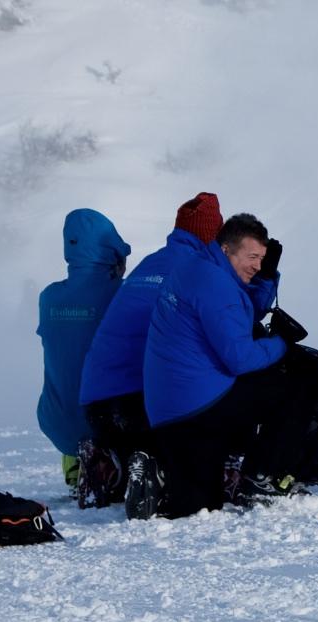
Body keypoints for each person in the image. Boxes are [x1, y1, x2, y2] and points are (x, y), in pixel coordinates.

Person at [140, 211, 318, 518]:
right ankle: (263, 478)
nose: (257, 265)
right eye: (252, 256)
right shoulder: (216, 284)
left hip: (172, 406)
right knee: (299, 382)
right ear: (226, 248)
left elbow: (237, 315)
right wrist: (281, 342)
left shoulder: (198, 268)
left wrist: (265, 277)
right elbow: (240, 358)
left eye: (262, 259)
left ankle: (157, 484)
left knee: (201, 507)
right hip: (199, 403)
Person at [77, 192, 229, 511]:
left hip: (95, 404)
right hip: (140, 403)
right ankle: (152, 470)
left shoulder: (151, 263)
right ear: (213, 235)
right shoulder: (198, 272)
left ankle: (111, 463)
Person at [37, 209, 130, 494]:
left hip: (56, 421)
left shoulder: (49, 297)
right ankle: (110, 462)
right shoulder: (122, 294)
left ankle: (77, 465)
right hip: (107, 419)